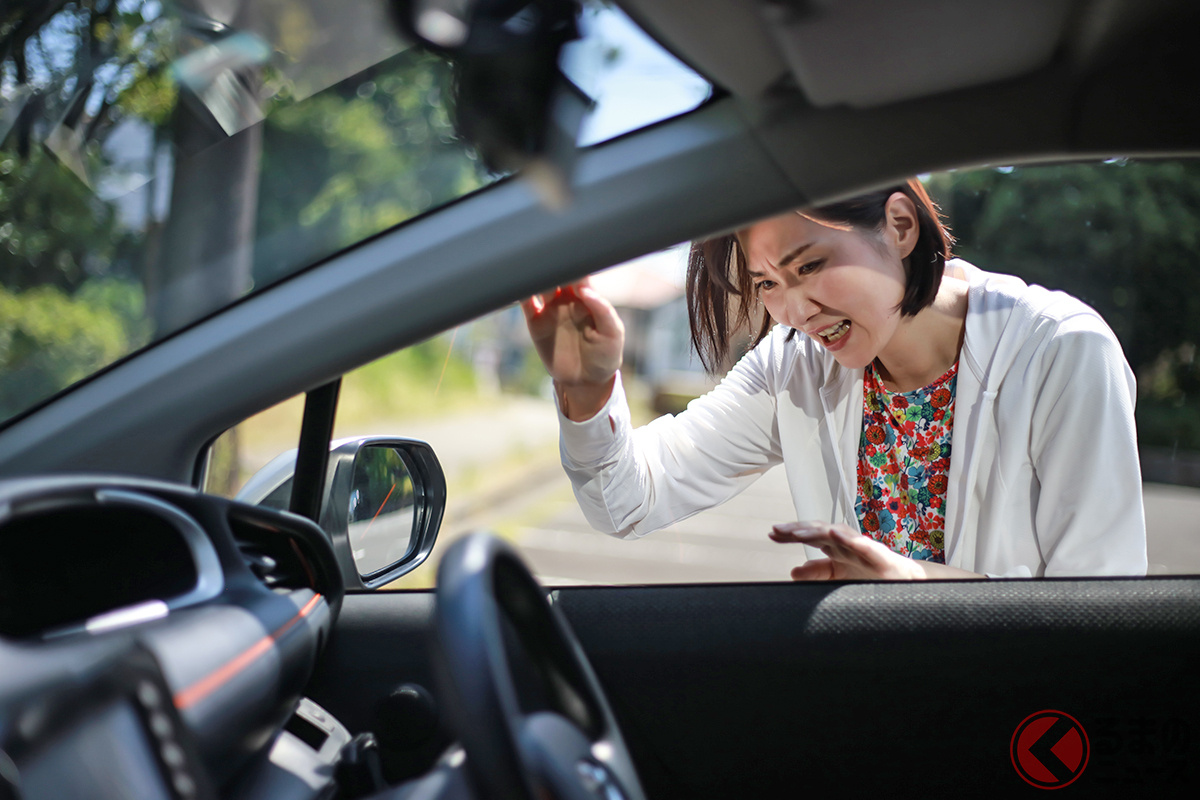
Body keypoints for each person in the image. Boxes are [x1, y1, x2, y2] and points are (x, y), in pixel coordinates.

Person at [521, 180, 1147, 579]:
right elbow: (630, 501)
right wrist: (588, 389)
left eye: (811, 264)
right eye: (768, 284)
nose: (794, 311)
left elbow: (1099, 610)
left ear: (901, 226)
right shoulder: (793, 364)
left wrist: (918, 588)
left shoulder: (1061, 351)